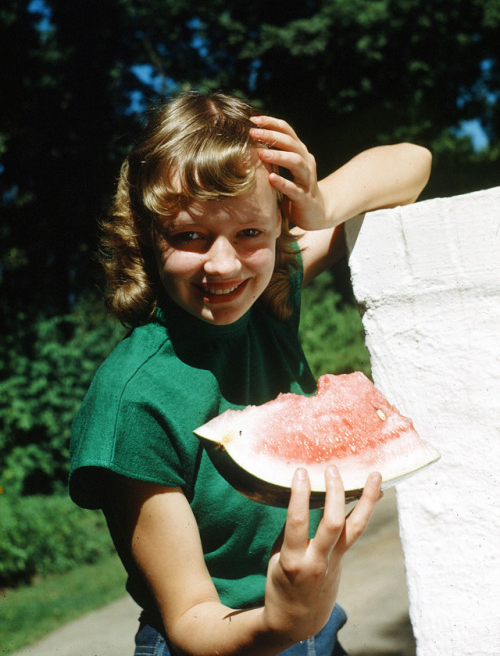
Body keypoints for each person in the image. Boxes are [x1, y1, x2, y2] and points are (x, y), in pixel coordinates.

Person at [69, 91, 431, 655]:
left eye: (249, 234)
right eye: (189, 236)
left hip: (313, 626)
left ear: (278, 225)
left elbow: (413, 163)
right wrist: (282, 621)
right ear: (145, 234)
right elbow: (191, 618)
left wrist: (320, 201)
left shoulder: (270, 291)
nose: (223, 265)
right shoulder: (131, 401)